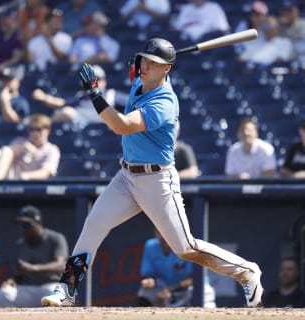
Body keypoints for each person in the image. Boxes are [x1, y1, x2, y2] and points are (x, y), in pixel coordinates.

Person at [40, 38, 263, 307]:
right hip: (126, 177)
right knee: (94, 224)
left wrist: (94, 95)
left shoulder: (165, 102)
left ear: (166, 69)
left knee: (186, 248)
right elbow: (136, 70)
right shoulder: (141, 80)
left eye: (152, 63)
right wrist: (141, 62)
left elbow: (121, 125)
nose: (145, 66)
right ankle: (67, 289)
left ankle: (246, 271)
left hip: (158, 181)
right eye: (143, 60)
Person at [0, 205, 69, 307]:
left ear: (38, 224)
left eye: (27, 225)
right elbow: (17, 275)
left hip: (51, 286)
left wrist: (32, 268)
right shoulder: (20, 245)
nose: (24, 229)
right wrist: (12, 281)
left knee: (59, 295)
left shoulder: (55, 238)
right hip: (28, 288)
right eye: (21, 225)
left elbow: (61, 265)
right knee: (4, 293)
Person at [31, 64, 127, 129]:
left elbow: (134, 103)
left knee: (66, 112)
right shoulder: (80, 96)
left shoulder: (112, 95)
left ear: (104, 82)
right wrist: (44, 97)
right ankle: (40, 127)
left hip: (104, 126)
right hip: (81, 126)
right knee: (61, 112)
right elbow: (62, 103)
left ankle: (41, 127)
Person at [137, 228, 215, 307]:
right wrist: (150, 280)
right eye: (160, 232)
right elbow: (149, 274)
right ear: (155, 233)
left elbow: (194, 278)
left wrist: (170, 290)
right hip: (165, 290)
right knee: (146, 291)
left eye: (167, 232)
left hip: (188, 289)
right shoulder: (151, 245)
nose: (163, 236)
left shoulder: (188, 246)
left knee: (200, 291)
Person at [0, 113, 61, 180]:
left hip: (36, 187)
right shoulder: (20, 142)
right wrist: (22, 147)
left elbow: (46, 172)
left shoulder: (52, 150)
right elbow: (6, 154)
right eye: (32, 129)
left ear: (48, 130)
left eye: (38, 129)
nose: (35, 133)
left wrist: (26, 176)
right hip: (13, 185)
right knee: (6, 150)